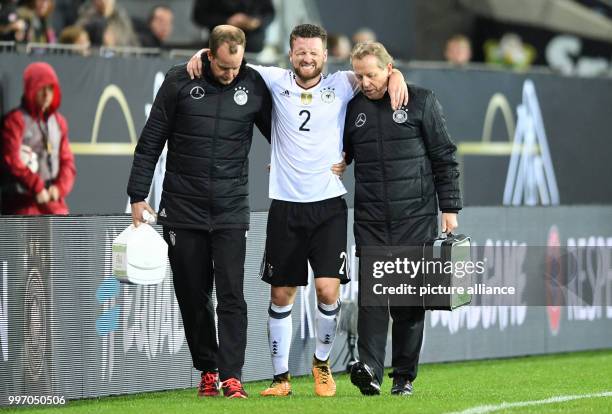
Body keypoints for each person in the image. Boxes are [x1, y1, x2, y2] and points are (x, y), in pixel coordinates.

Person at [187, 24, 409, 397]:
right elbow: (226, 60)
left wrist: (397, 73)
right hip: (286, 206)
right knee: (281, 295)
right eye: (301, 52)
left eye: (314, 52)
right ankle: (281, 379)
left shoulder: (343, 82)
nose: (307, 58)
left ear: (325, 55)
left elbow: (378, 71)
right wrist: (196, 56)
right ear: (291, 54)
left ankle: (321, 365)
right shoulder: (272, 79)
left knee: (327, 291)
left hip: (328, 206)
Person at [126, 25, 272, 399]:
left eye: (236, 67)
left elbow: (285, 132)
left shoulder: (253, 84)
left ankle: (233, 375)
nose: (230, 75)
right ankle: (208, 368)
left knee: (232, 295)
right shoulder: (179, 81)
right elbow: (151, 141)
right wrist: (137, 196)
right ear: (209, 56)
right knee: (192, 295)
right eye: (224, 68)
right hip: (182, 208)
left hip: (230, 209)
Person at [342, 41, 462, 396]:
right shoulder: (351, 109)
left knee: (408, 303)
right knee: (373, 299)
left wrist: (450, 209)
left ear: (389, 68)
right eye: (360, 75)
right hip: (372, 219)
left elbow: (445, 157)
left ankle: (404, 376)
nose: (365, 82)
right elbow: (334, 148)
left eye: (372, 74)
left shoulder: (422, 101)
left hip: (416, 217)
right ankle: (370, 370)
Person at [1, 62, 76, 215]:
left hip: (54, 202)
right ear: (31, 88)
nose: (47, 94)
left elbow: (67, 162)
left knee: (67, 236)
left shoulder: (59, 122)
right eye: (41, 88)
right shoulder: (15, 120)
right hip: (23, 203)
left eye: (50, 89)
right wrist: (37, 187)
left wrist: (59, 188)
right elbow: (12, 160)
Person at [191, 0, 274, 53]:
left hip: (252, 46)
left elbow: (270, 13)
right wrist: (226, 21)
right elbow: (199, 15)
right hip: (220, 45)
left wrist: (257, 22)